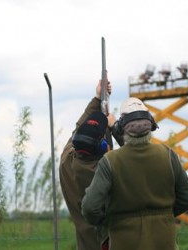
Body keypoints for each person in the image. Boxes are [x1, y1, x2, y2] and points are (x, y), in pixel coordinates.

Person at [82, 97, 188, 250]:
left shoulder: (110, 161)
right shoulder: (168, 155)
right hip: (165, 243)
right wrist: (164, 215)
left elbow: (90, 208)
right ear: (151, 124)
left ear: (121, 128)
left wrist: (110, 221)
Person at [59, 80, 122, 250]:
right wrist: (114, 127)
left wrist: (97, 98)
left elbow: (78, 130)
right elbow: (136, 153)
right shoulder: (108, 171)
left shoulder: (67, 159)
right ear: (103, 146)